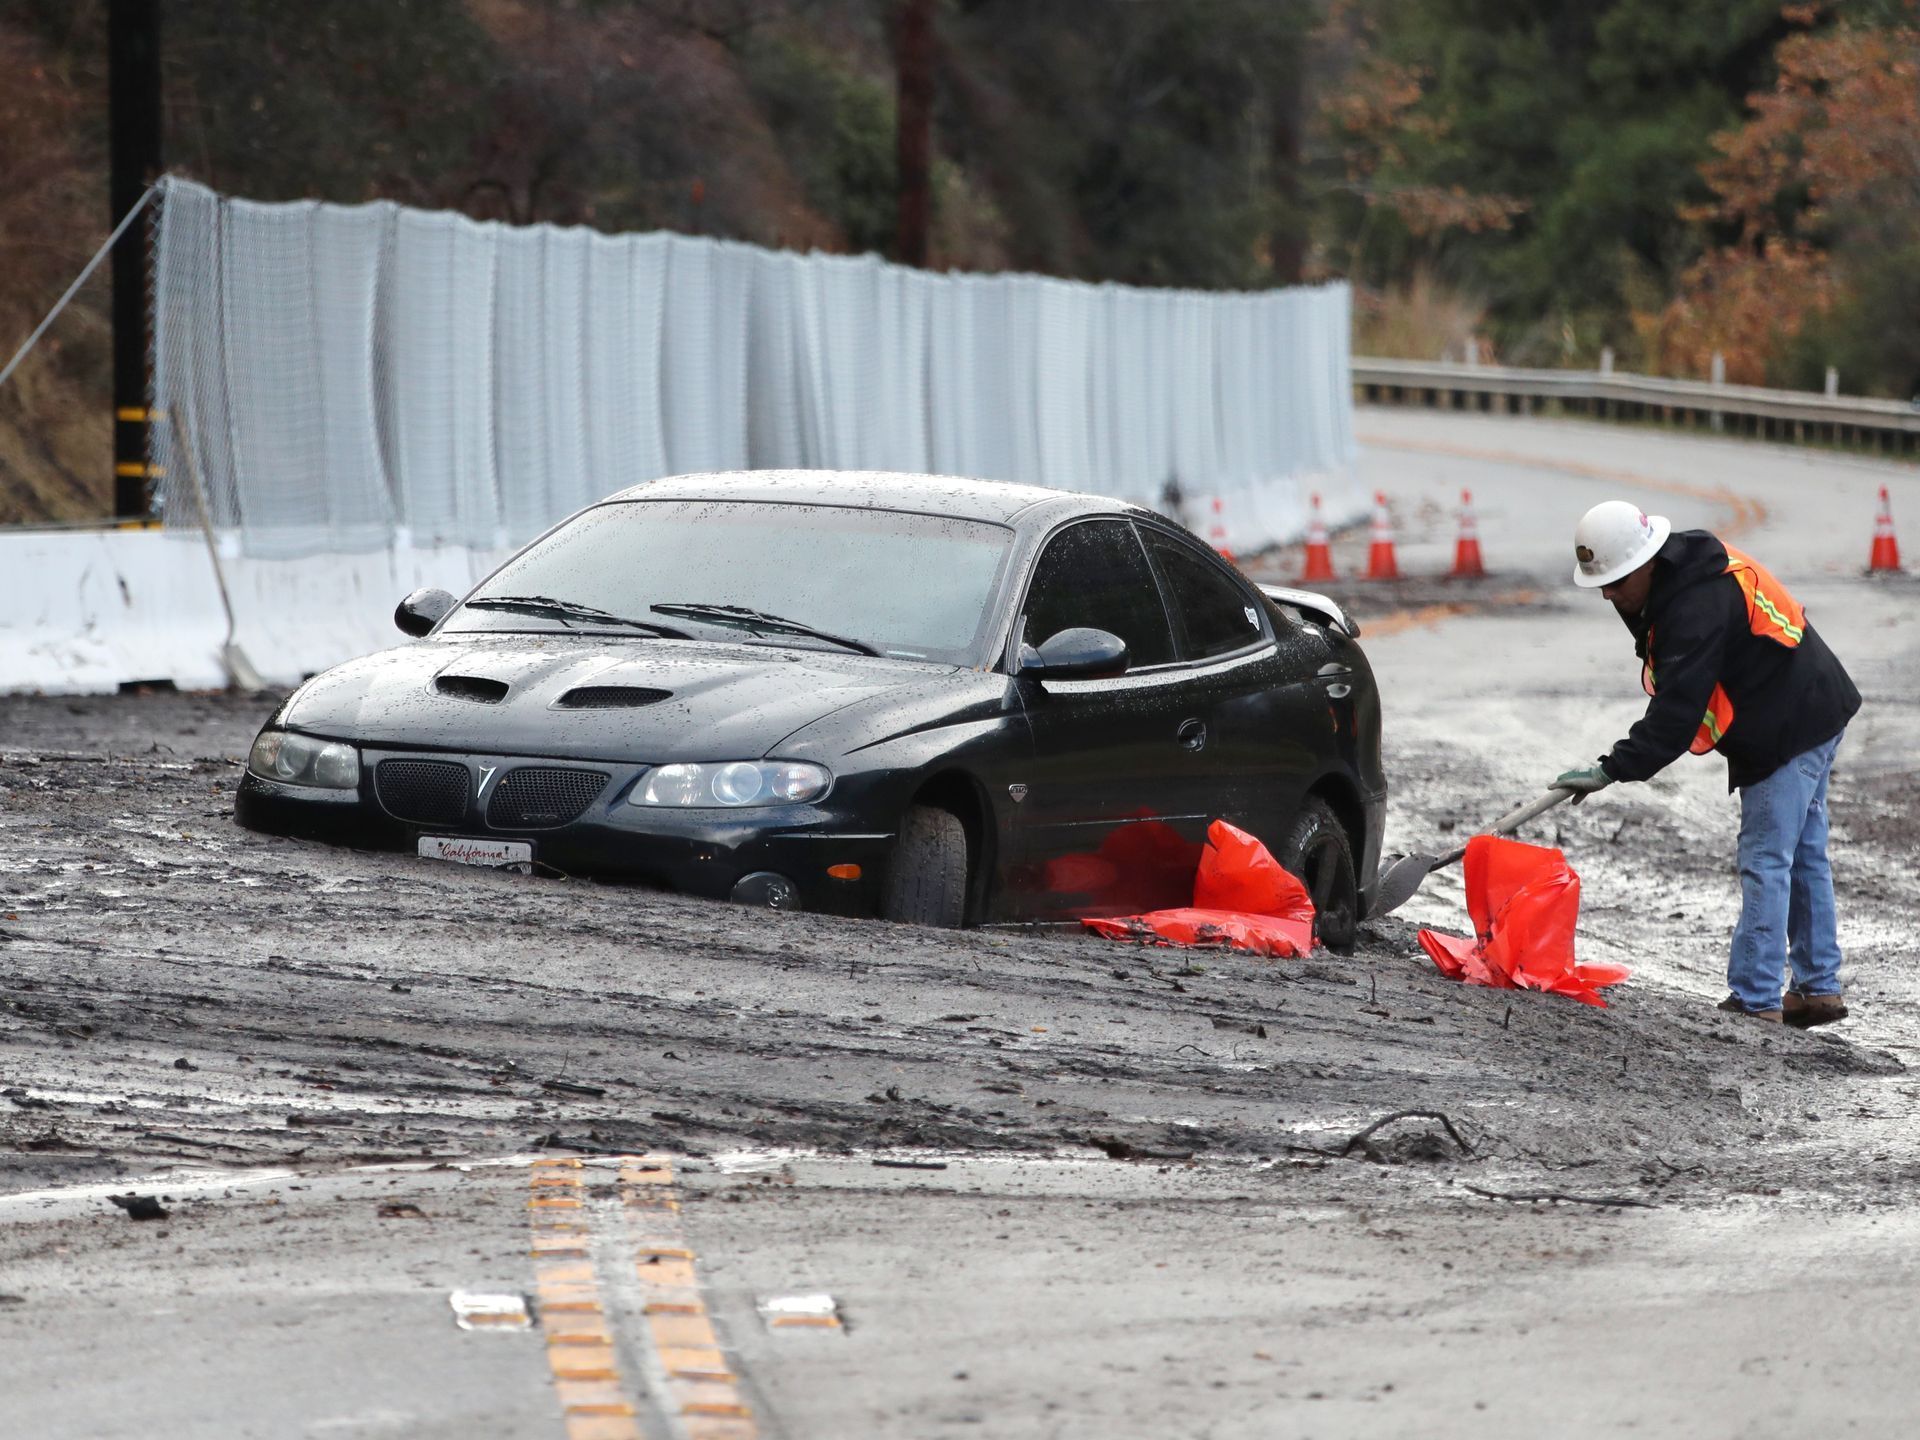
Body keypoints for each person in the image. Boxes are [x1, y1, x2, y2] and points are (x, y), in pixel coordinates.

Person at [1553, 502, 1861, 1026]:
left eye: (1614, 581)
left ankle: (1756, 998)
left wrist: (1612, 768)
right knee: (1802, 852)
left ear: (1645, 562)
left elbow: (1675, 716)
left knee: (1766, 857)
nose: (1607, 593)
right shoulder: (1685, 569)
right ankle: (1817, 989)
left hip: (1786, 726)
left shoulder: (1694, 607)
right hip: (1814, 704)